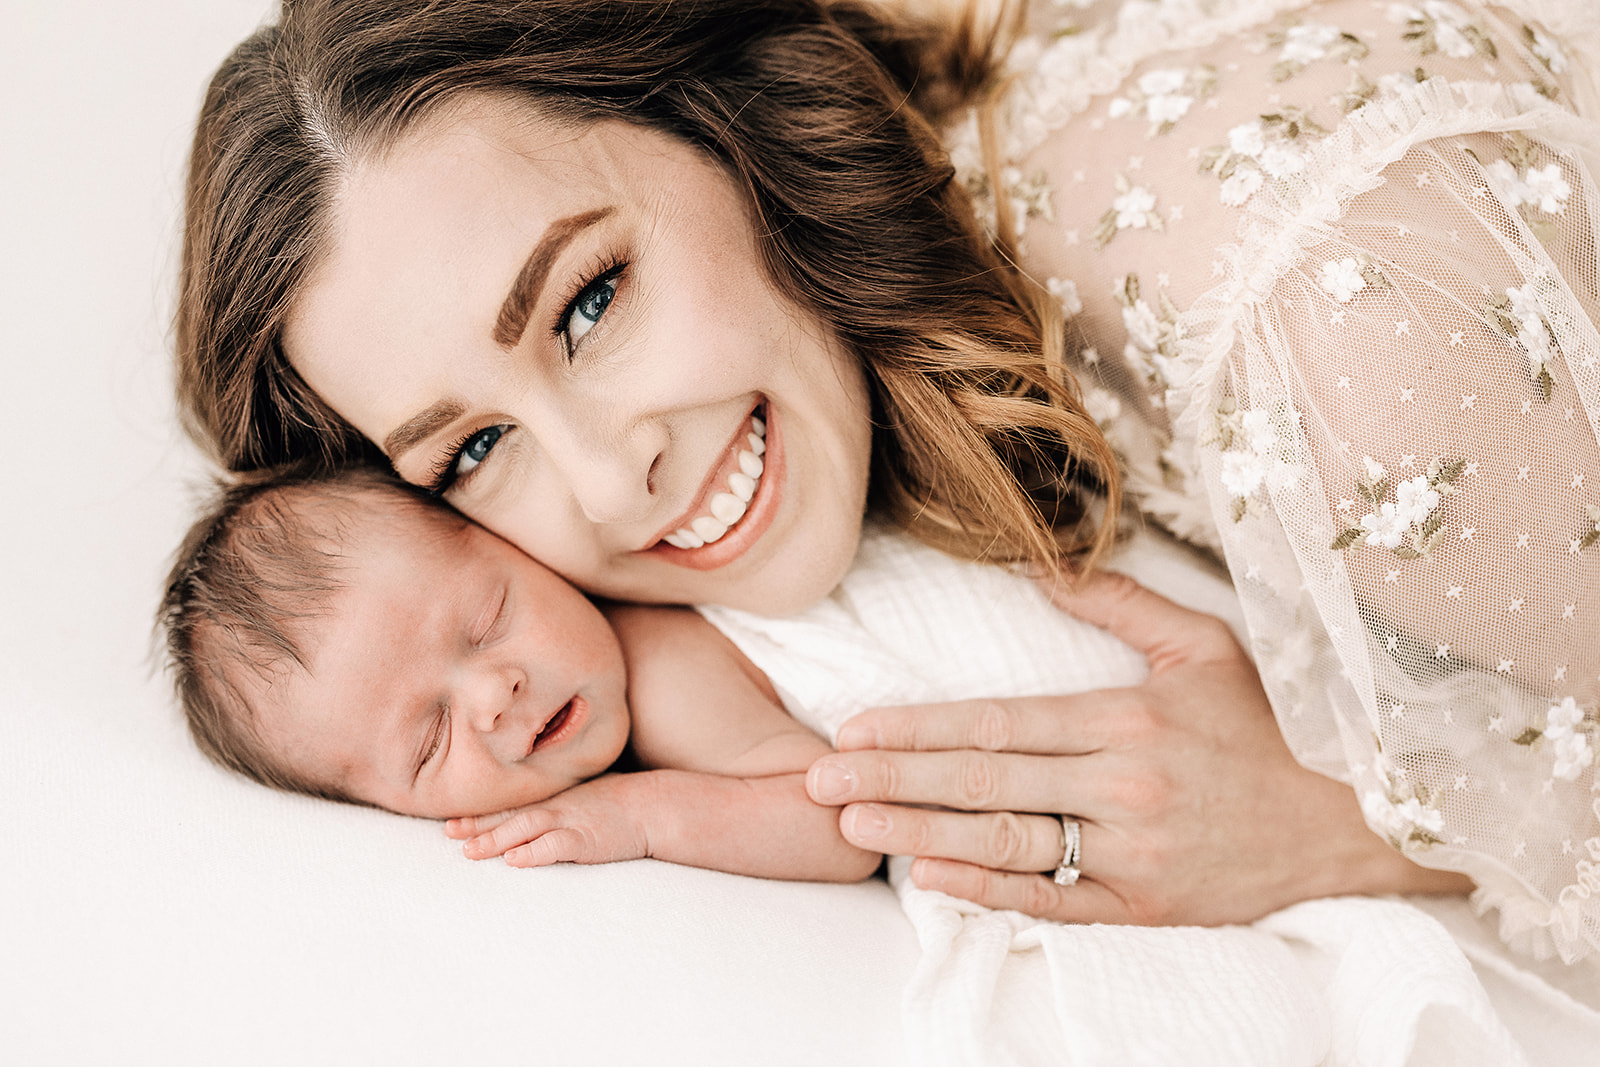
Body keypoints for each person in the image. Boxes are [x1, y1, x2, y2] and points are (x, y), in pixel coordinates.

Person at [173, 0, 1598, 964]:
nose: (612, 494)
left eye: (592, 301)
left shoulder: (1345, 346)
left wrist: (1326, 824)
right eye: (476, 451)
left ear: (724, 129)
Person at [163, 463, 1530, 1065]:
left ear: (510, 544)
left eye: (486, 618)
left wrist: (648, 817)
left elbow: (841, 817)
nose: (501, 691)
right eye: (430, 738)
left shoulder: (670, 664)